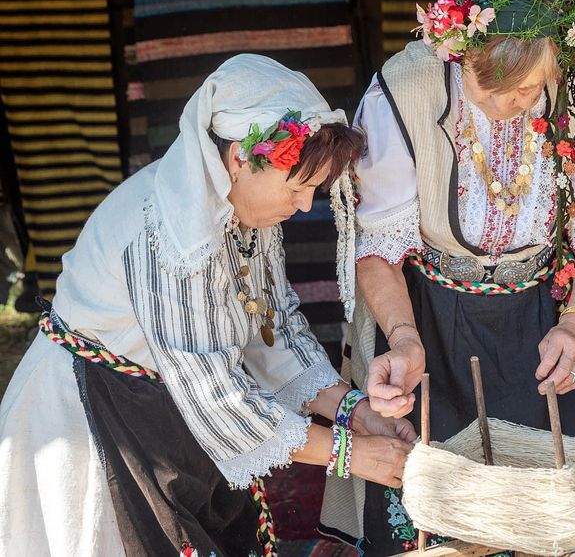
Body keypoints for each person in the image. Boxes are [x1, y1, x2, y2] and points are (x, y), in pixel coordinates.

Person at [0, 55, 415, 556]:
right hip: (96, 410)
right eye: (299, 187)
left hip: (163, 404)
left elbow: (273, 329)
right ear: (240, 158)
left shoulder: (245, 214)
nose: (306, 206)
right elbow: (215, 396)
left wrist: (353, 410)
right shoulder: (168, 237)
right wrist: (350, 453)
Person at [321, 0, 575, 555]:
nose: (508, 106)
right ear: (457, 56)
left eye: (526, 90)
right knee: (434, 494)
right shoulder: (403, 94)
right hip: (430, 314)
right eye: (489, 91)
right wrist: (404, 339)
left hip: (541, 315)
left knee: (551, 508)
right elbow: (377, 248)